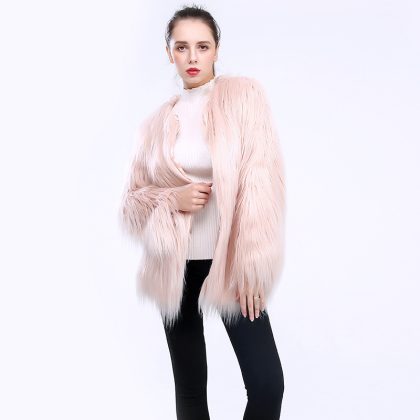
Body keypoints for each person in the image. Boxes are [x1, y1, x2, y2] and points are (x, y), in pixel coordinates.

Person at [119, 5, 287, 420]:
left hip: (229, 264)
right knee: (191, 392)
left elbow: (260, 181)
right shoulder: (154, 125)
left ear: (216, 49)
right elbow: (131, 203)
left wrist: (251, 265)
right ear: (169, 53)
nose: (192, 57)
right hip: (174, 267)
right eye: (182, 47)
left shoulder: (244, 97)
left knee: (267, 384)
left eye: (202, 46)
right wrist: (170, 199)